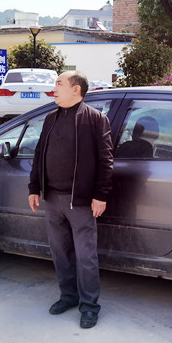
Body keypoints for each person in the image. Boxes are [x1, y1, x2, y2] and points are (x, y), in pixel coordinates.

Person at [28, 71, 114, 329]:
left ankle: (89, 306)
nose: (54, 88)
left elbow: (106, 160)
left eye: (59, 83)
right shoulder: (51, 118)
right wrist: (34, 188)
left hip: (81, 202)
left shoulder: (95, 119)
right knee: (60, 253)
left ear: (76, 89)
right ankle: (68, 296)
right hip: (53, 199)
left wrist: (100, 195)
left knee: (86, 257)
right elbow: (39, 154)